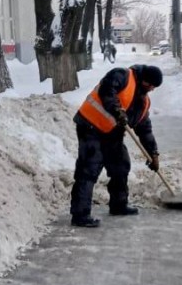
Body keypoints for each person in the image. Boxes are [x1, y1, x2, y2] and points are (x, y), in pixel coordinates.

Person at [70, 64, 163, 228]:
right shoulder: (123, 75)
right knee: (90, 167)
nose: (151, 89)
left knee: (121, 165)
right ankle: (80, 214)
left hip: (111, 134)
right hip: (90, 126)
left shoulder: (143, 102)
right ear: (144, 80)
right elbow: (107, 90)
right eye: (150, 85)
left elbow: (145, 130)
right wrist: (117, 109)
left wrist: (153, 154)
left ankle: (118, 205)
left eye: (154, 87)